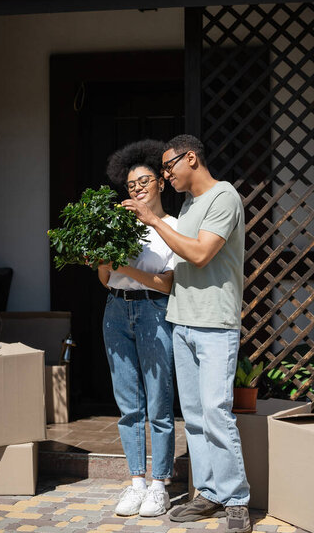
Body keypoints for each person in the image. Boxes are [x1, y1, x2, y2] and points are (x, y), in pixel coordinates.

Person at [122, 134, 252, 533]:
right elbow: (177, 272)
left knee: (216, 412)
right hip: (183, 320)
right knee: (194, 416)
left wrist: (154, 220)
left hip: (214, 322)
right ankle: (209, 492)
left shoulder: (223, 198)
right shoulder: (190, 206)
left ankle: (237, 499)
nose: (165, 175)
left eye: (168, 167)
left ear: (190, 158)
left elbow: (199, 254)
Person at [96, 139, 177, 518]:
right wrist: (102, 260)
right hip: (115, 312)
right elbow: (105, 279)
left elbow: (167, 284)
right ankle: (137, 483)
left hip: (153, 312)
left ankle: (160, 484)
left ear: (160, 182)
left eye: (144, 181)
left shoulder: (173, 227)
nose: (138, 189)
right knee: (129, 406)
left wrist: (124, 267)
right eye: (131, 186)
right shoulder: (116, 224)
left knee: (159, 405)